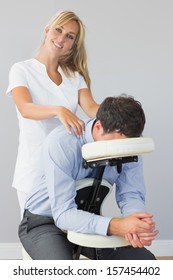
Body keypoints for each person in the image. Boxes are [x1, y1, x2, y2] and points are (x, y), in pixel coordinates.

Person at [19, 95, 159, 260]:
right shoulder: (62, 142)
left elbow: (131, 194)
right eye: (115, 145)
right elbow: (63, 215)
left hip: (87, 219)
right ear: (98, 126)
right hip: (44, 222)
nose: (120, 153)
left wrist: (136, 224)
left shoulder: (129, 145)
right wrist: (116, 226)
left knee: (145, 264)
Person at [6, 10, 99, 213]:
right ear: (47, 30)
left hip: (66, 169)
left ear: (73, 45)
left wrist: (121, 109)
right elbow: (25, 108)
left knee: (66, 235)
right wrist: (58, 110)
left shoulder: (74, 77)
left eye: (69, 36)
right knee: (34, 237)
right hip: (33, 169)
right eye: (58, 30)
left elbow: (93, 109)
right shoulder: (21, 70)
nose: (61, 38)